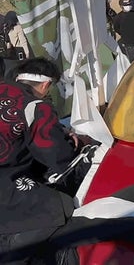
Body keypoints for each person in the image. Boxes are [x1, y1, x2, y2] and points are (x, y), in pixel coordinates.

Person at [0, 58, 85, 264]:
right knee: (61, 208)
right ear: (46, 85)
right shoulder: (35, 107)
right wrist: (75, 141)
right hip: (8, 195)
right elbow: (58, 156)